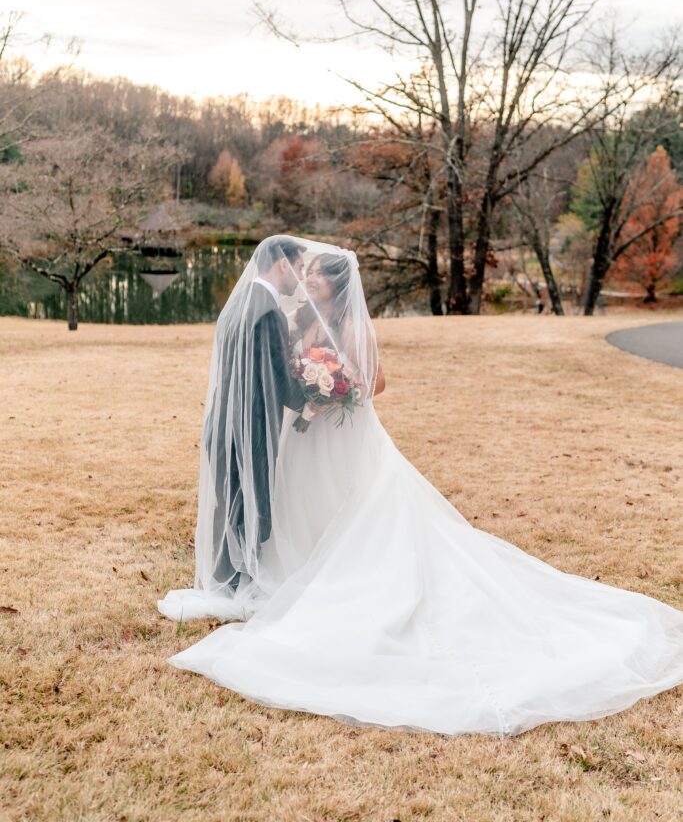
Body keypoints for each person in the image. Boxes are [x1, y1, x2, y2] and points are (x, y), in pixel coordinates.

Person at [158, 235, 683, 737]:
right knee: (309, 507)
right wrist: (312, 385)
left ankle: (346, 576)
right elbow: (284, 370)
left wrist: (336, 388)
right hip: (306, 438)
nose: (309, 278)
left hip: (343, 435)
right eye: (307, 270)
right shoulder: (296, 317)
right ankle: (298, 570)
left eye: (317, 274)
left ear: (335, 286)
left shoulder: (350, 324)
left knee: (360, 511)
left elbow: (374, 381)